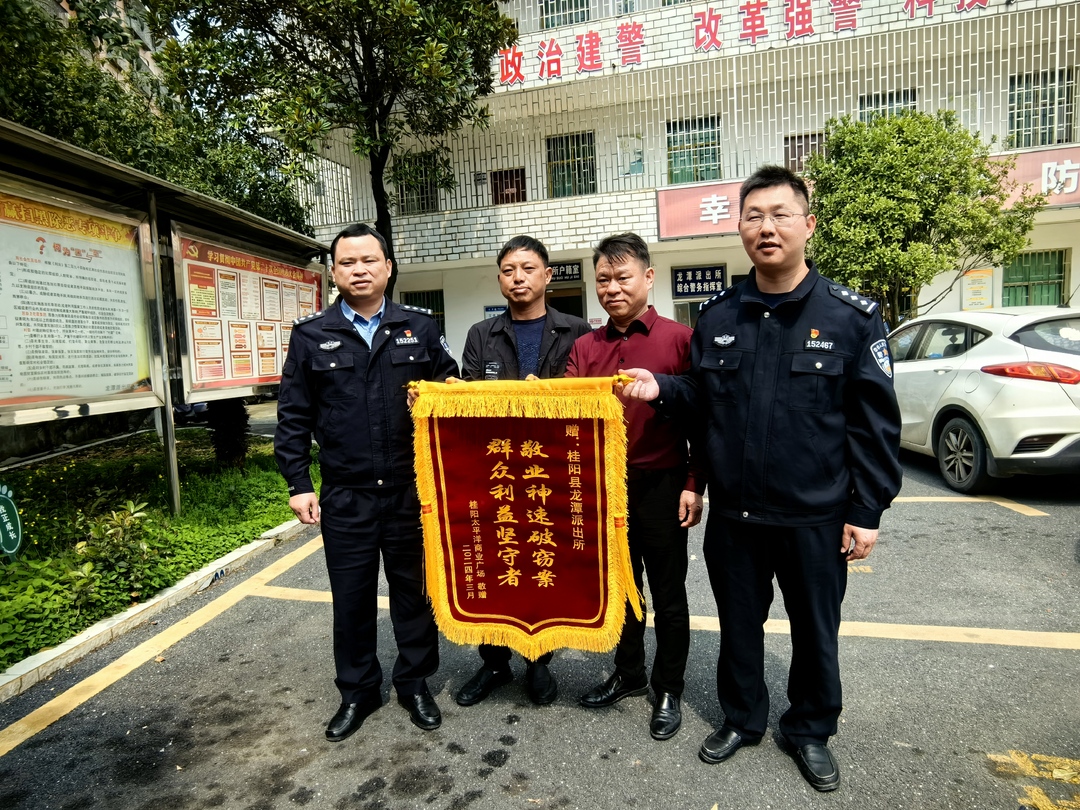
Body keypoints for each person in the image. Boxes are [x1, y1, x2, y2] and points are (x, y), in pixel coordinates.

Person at [621, 166, 902, 791]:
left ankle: (810, 730)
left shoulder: (851, 318)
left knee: (816, 633)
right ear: (741, 228)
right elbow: (702, 403)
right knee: (739, 627)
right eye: (754, 216)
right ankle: (742, 719)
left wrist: (867, 511)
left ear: (809, 224)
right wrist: (662, 388)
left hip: (816, 516)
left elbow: (876, 425)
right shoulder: (719, 316)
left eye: (780, 215)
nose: (766, 228)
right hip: (737, 515)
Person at [275, 223, 458, 742]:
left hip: (410, 491)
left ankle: (414, 684)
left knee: (414, 595)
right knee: (351, 598)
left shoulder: (419, 328)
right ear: (334, 272)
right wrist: (298, 482)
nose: (359, 270)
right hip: (346, 493)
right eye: (348, 262)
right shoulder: (311, 335)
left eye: (369, 260)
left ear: (388, 267)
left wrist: (446, 394)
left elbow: (452, 391)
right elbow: (293, 415)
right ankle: (357, 692)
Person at [569, 232, 704, 742]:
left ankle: (668, 688)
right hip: (605, 488)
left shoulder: (680, 339)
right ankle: (628, 674)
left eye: (623, 277)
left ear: (648, 277)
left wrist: (694, 482)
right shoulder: (585, 347)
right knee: (623, 589)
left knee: (668, 593)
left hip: (662, 484)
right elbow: (565, 414)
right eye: (603, 279)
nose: (612, 288)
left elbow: (703, 415)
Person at [454, 235, 592, 707]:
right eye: (509, 270)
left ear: (547, 276)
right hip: (494, 470)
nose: (518, 278)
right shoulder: (481, 334)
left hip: (549, 470)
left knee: (543, 562)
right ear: (500, 279)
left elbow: (586, 397)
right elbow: (467, 398)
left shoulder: (576, 331)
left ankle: (539, 660)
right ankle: (494, 662)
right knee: (495, 564)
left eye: (528, 269)